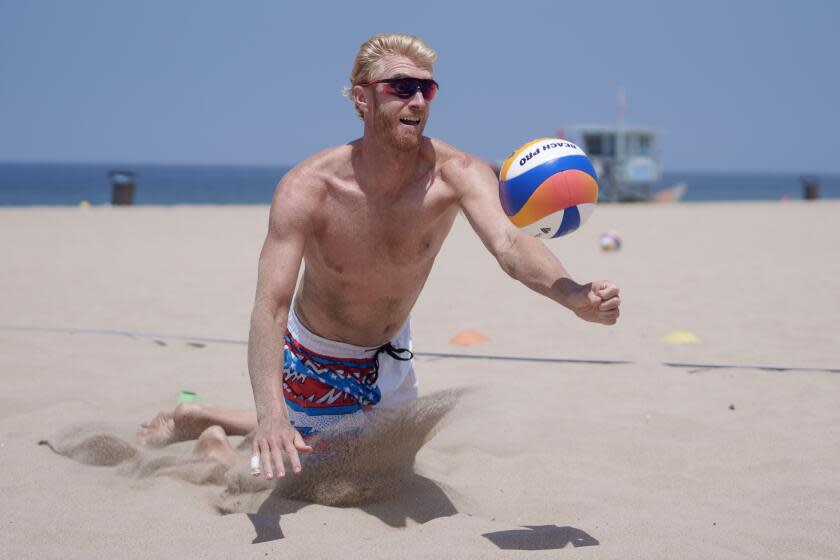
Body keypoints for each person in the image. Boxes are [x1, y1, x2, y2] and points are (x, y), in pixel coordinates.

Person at [139, 33, 620, 479]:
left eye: (426, 90)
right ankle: (211, 440)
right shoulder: (308, 188)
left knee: (388, 466)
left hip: (392, 350)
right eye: (401, 87)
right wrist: (269, 416)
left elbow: (512, 245)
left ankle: (204, 413)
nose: (416, 100)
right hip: (317, 356)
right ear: (361, 98)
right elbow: (270, 307)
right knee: (318, 475)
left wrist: (573, 294)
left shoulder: (457, 173)